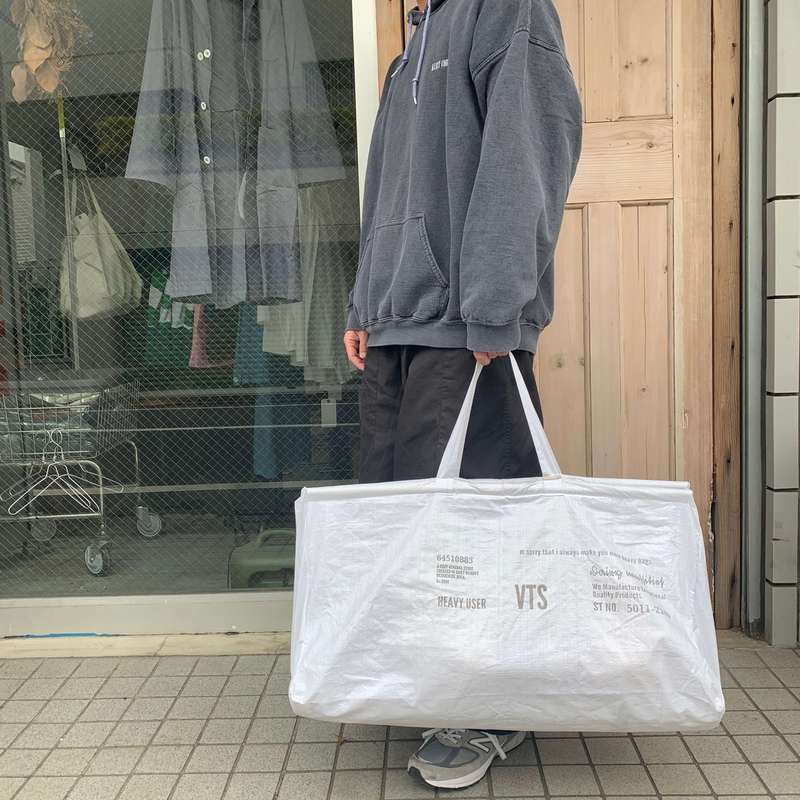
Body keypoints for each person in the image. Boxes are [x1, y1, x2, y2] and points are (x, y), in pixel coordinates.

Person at [342, 0, 582, 790]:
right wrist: (364, 304)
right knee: (406, 521)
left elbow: (529, 149)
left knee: (479, 523)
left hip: (464, 327)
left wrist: (495, 303)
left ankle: (491, 705)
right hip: (399, 325)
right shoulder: (412, 47)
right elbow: (387, 190)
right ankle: (436, 682)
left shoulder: (505, 11)